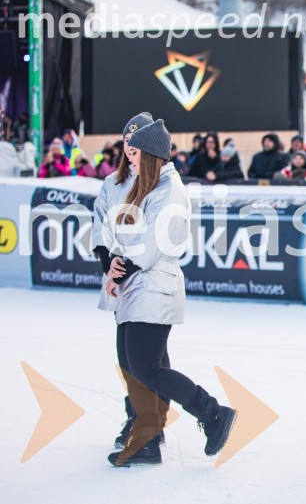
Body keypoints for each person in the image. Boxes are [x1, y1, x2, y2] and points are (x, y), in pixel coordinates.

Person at [104, 119, 236, 467]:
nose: (130, 158)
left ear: (151, 154)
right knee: (134, 365)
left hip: (154, 288)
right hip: (136, 288)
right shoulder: (146, 185)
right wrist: (112, 265)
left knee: (146, 368)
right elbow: (123, 233)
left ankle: (213, 413)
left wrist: (118, 272)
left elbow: (151, 245)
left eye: (136, 153)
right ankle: (147, 437)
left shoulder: (169, 189)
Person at [91, 113, 164, 452]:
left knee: (145, 360)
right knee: (132, 358)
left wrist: (122, 269)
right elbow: (100, 227)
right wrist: (109, 266)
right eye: (126, 143)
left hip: (144, 277)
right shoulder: (112, 183)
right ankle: (141, 417)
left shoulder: (158, 182)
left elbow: (153, 237)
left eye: (135, 144)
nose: (130, 149)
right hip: (118, 278)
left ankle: (146, 421)